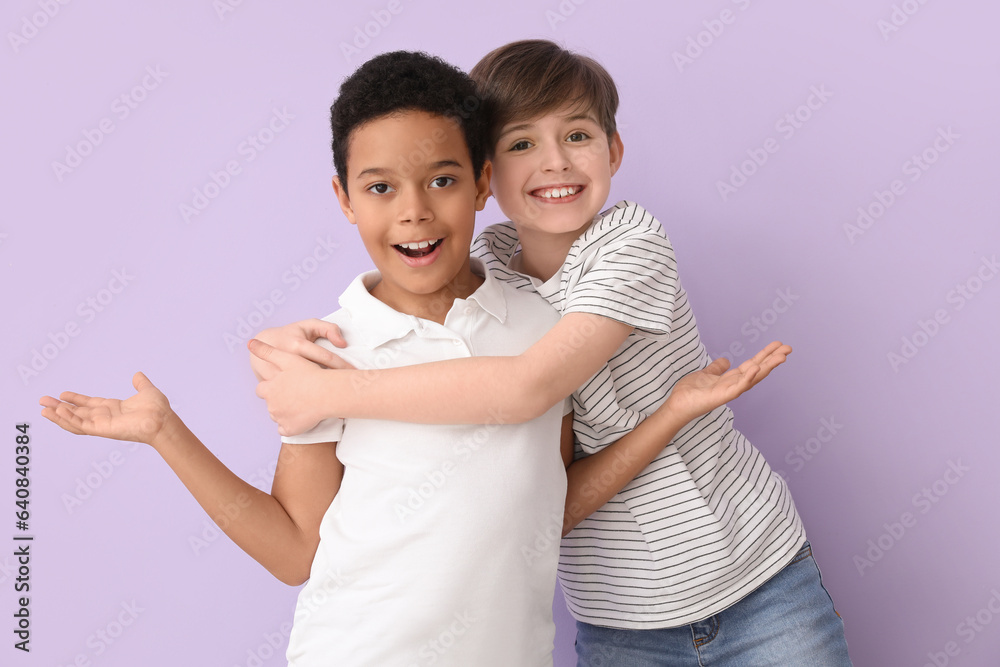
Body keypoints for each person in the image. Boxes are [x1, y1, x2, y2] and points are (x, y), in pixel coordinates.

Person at [40, 50, 786, 666]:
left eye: (442, 180)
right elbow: (296, 551)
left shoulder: (539, 319)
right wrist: (167, 432)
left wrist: (670, 414)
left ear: (481, 184)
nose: (414, 211)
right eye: (380, 187)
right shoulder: (323, 354)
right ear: (344, 198)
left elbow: (546, 501)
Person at [251, 41, 851, 665]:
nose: (555, 163)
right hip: (619, 615)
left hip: (756, 576)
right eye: (521, 144)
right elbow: (540, 494)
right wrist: (275, 347)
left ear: (614, 150)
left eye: (578, 135)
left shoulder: (632, 240)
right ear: (488, 173)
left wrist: (328, 393)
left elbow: (522, 391)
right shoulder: (488, 280)